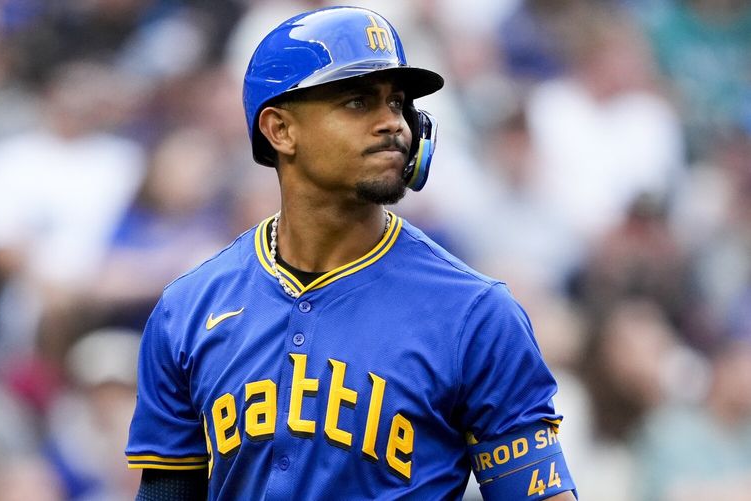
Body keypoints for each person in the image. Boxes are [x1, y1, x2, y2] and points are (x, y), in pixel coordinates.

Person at [126, 6, 578, 500]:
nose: (394, 124)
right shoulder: (187, 311)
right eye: (359, 102)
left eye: (399, 102)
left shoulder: (476, 315)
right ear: (280, 130)